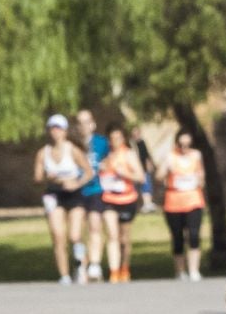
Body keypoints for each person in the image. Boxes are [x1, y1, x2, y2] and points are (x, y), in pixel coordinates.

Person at [34, 114, 88, 283]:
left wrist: (76, 183)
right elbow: (37, 178)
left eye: (58, 128)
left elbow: (88, 172)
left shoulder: (73, 150)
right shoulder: (43, 153)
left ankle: (81, 268)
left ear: (65, 131)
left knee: (74, 235)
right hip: (54, 194)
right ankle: (64, 275)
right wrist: (47, 176)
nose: (55, 132)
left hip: (73, 194)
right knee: (58, 235)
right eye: (52, 128)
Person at [97, 126, 144, 283]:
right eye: (112, 138)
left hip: (127, 199)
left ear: (123, 139)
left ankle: (124, 267)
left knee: (124, 239)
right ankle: (114, 271)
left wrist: (123, 173)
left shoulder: (128, 155)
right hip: (109, 199)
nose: (114, 141)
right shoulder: (105, 156)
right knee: (112, 235)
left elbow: (141, 177)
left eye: (118, 138)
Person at [160, 128, 207, 280]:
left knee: (194, 234)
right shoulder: (170, 157)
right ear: (177, 143)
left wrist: (198, 178)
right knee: (177, 236)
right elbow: (159, 176)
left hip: (193, 199)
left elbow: (202, 179)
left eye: (187, 144)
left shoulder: (196, 156)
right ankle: (180, 271)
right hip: (174, 201)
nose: (184, 148)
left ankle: (194, 270)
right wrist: (166, 166)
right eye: (181, 144)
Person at [74, 108, 109, 283]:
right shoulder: (72, 145)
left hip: (95, 189)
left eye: (87, 122)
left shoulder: (102, 143)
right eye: (80, 122)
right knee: (77, 232)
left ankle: (95, 264)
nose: (84, 126)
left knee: (95, 226)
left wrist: (106, 165)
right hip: (77, 192)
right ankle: (81, 264)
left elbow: (112, 159)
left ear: (93, 124)